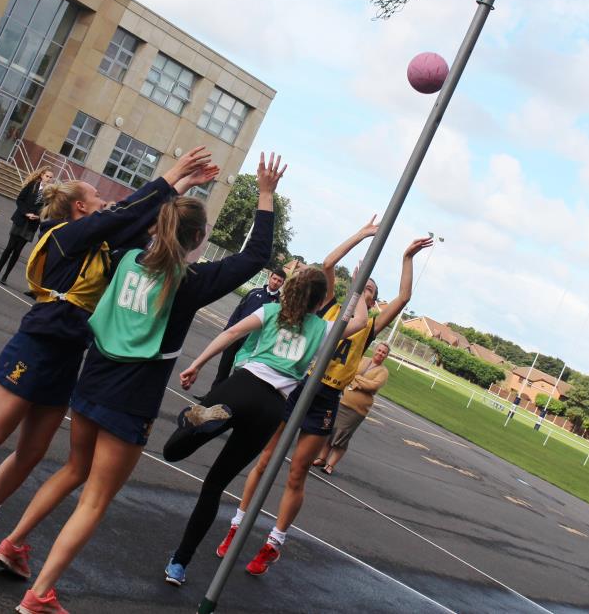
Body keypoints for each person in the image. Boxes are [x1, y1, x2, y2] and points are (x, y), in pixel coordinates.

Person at [0, 147, 215, 566]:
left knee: (32, 451)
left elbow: (139, 225)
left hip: (68, 356)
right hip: (36, 346)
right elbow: (124, 216)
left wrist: (179, 190)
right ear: (81, 208)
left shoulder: (98, 245)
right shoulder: (66, 235)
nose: (106, 205)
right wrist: (171, 175)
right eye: (98, 202)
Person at [0, 153, 284, 614]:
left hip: (92, 378)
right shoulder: (188, 281)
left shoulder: (127, 258)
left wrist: (174, 181)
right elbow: (255, 256)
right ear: (198, 238)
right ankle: (39, 596)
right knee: (95, 499)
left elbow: (126, 216)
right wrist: (266, 195)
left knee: (74, 469)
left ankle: (12, 542)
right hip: (130, 397)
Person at [217, 235, 435, 578]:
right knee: (265, 459)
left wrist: (407, 258)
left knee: (297, 471)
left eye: (370, 293)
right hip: (300, 386)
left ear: (373, 301)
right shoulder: (329, 307)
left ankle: (274, 541)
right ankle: (237, 524)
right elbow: (329, 264)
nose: (364, 293)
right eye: (361, 287)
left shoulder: (370, 327)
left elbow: (405, 297)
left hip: (328, 397)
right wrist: (362, 237)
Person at [160, 266, 368, 587]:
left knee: (173, 450)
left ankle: (202, 418)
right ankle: (179, 564)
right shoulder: (323, 329)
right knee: (214, 486)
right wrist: (359, 288)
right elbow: (360, 322)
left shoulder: (271, 310)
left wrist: (196, 364)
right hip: (272, 407)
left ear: (292, 289)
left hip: (243, 385)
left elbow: (231, 334)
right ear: (318, 302)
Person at [197, 266, 286, 400]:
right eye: (274, 278)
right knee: (223, 369)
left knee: (238, 376)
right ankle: (211, 397)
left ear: (282, 284)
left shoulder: (279, 304)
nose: (275, 282)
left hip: (252, 345)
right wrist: (228, 330)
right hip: (234, 337)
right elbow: (238, 311)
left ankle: (227, 402)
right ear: (270, 277)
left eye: (279, 281)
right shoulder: (253, 293)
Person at [314, 341, 390, 475]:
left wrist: (357, 379)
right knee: (329, 430)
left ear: (386, 356)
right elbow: (349, 372)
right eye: (379, 350)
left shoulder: (383, 372)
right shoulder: (362, 359)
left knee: (343, 436)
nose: (380, 353)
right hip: (341, 402)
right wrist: (360, 380)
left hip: (357, 410)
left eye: (384, 352)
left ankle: (330, 465)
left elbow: (373, 387)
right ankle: (321, 458)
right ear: (375, 350)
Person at [0, 166, 53, 284]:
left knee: (18, 250)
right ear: (41, 176)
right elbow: (20, 200)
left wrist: (38, 216)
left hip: (31, 225)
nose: (49, 179)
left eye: (51, 177)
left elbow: (47, 210)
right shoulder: (32, 185)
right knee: (10, 247)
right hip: (21, 220)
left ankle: (5, 276)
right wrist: (26, 213)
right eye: (47, 176)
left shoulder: (49, 193)